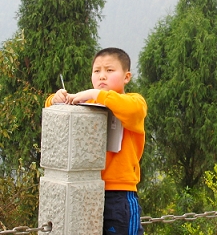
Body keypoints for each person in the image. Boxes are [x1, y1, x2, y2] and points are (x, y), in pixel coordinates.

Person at [45, 47, 147, 235]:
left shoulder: (134, 101)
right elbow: (55, 109)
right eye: (97, 71)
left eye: (109, 71)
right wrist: (55, 99)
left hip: (119, 192)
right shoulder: (88, 103)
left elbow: (133, 110)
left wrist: (96, 94)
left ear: (127, 77)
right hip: (87, 189)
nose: (102, 76)